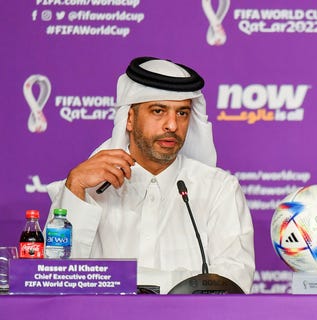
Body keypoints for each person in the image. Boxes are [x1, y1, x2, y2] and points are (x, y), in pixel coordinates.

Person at [47, 57, 255, 294]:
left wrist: (115, 280)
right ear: (129, 118)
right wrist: (74, 188)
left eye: (182, 113)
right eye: (158, 111)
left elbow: (233, 282)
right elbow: (55, 278)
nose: (172, 125)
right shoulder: (87, 187)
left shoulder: (219, 189)